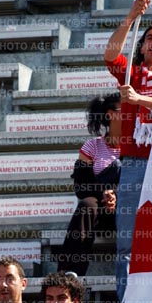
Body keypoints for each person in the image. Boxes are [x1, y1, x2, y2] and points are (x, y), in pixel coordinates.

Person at [104, 0, 152, 303]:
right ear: (142, 47)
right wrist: (131, 17)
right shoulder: (131, 73)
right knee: (127, 242)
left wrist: (139, 99)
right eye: (149, 38)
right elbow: (110, 53)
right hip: (134, 163)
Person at [56, 93, 120, 276]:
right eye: (127, 110)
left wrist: (117, 195)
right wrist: (105, 194)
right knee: (87, 205)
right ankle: (69, 274)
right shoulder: (92, 146)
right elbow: (81, 185)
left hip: (126, 208)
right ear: (110, 114)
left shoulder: (140, 144)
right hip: (101, 212)